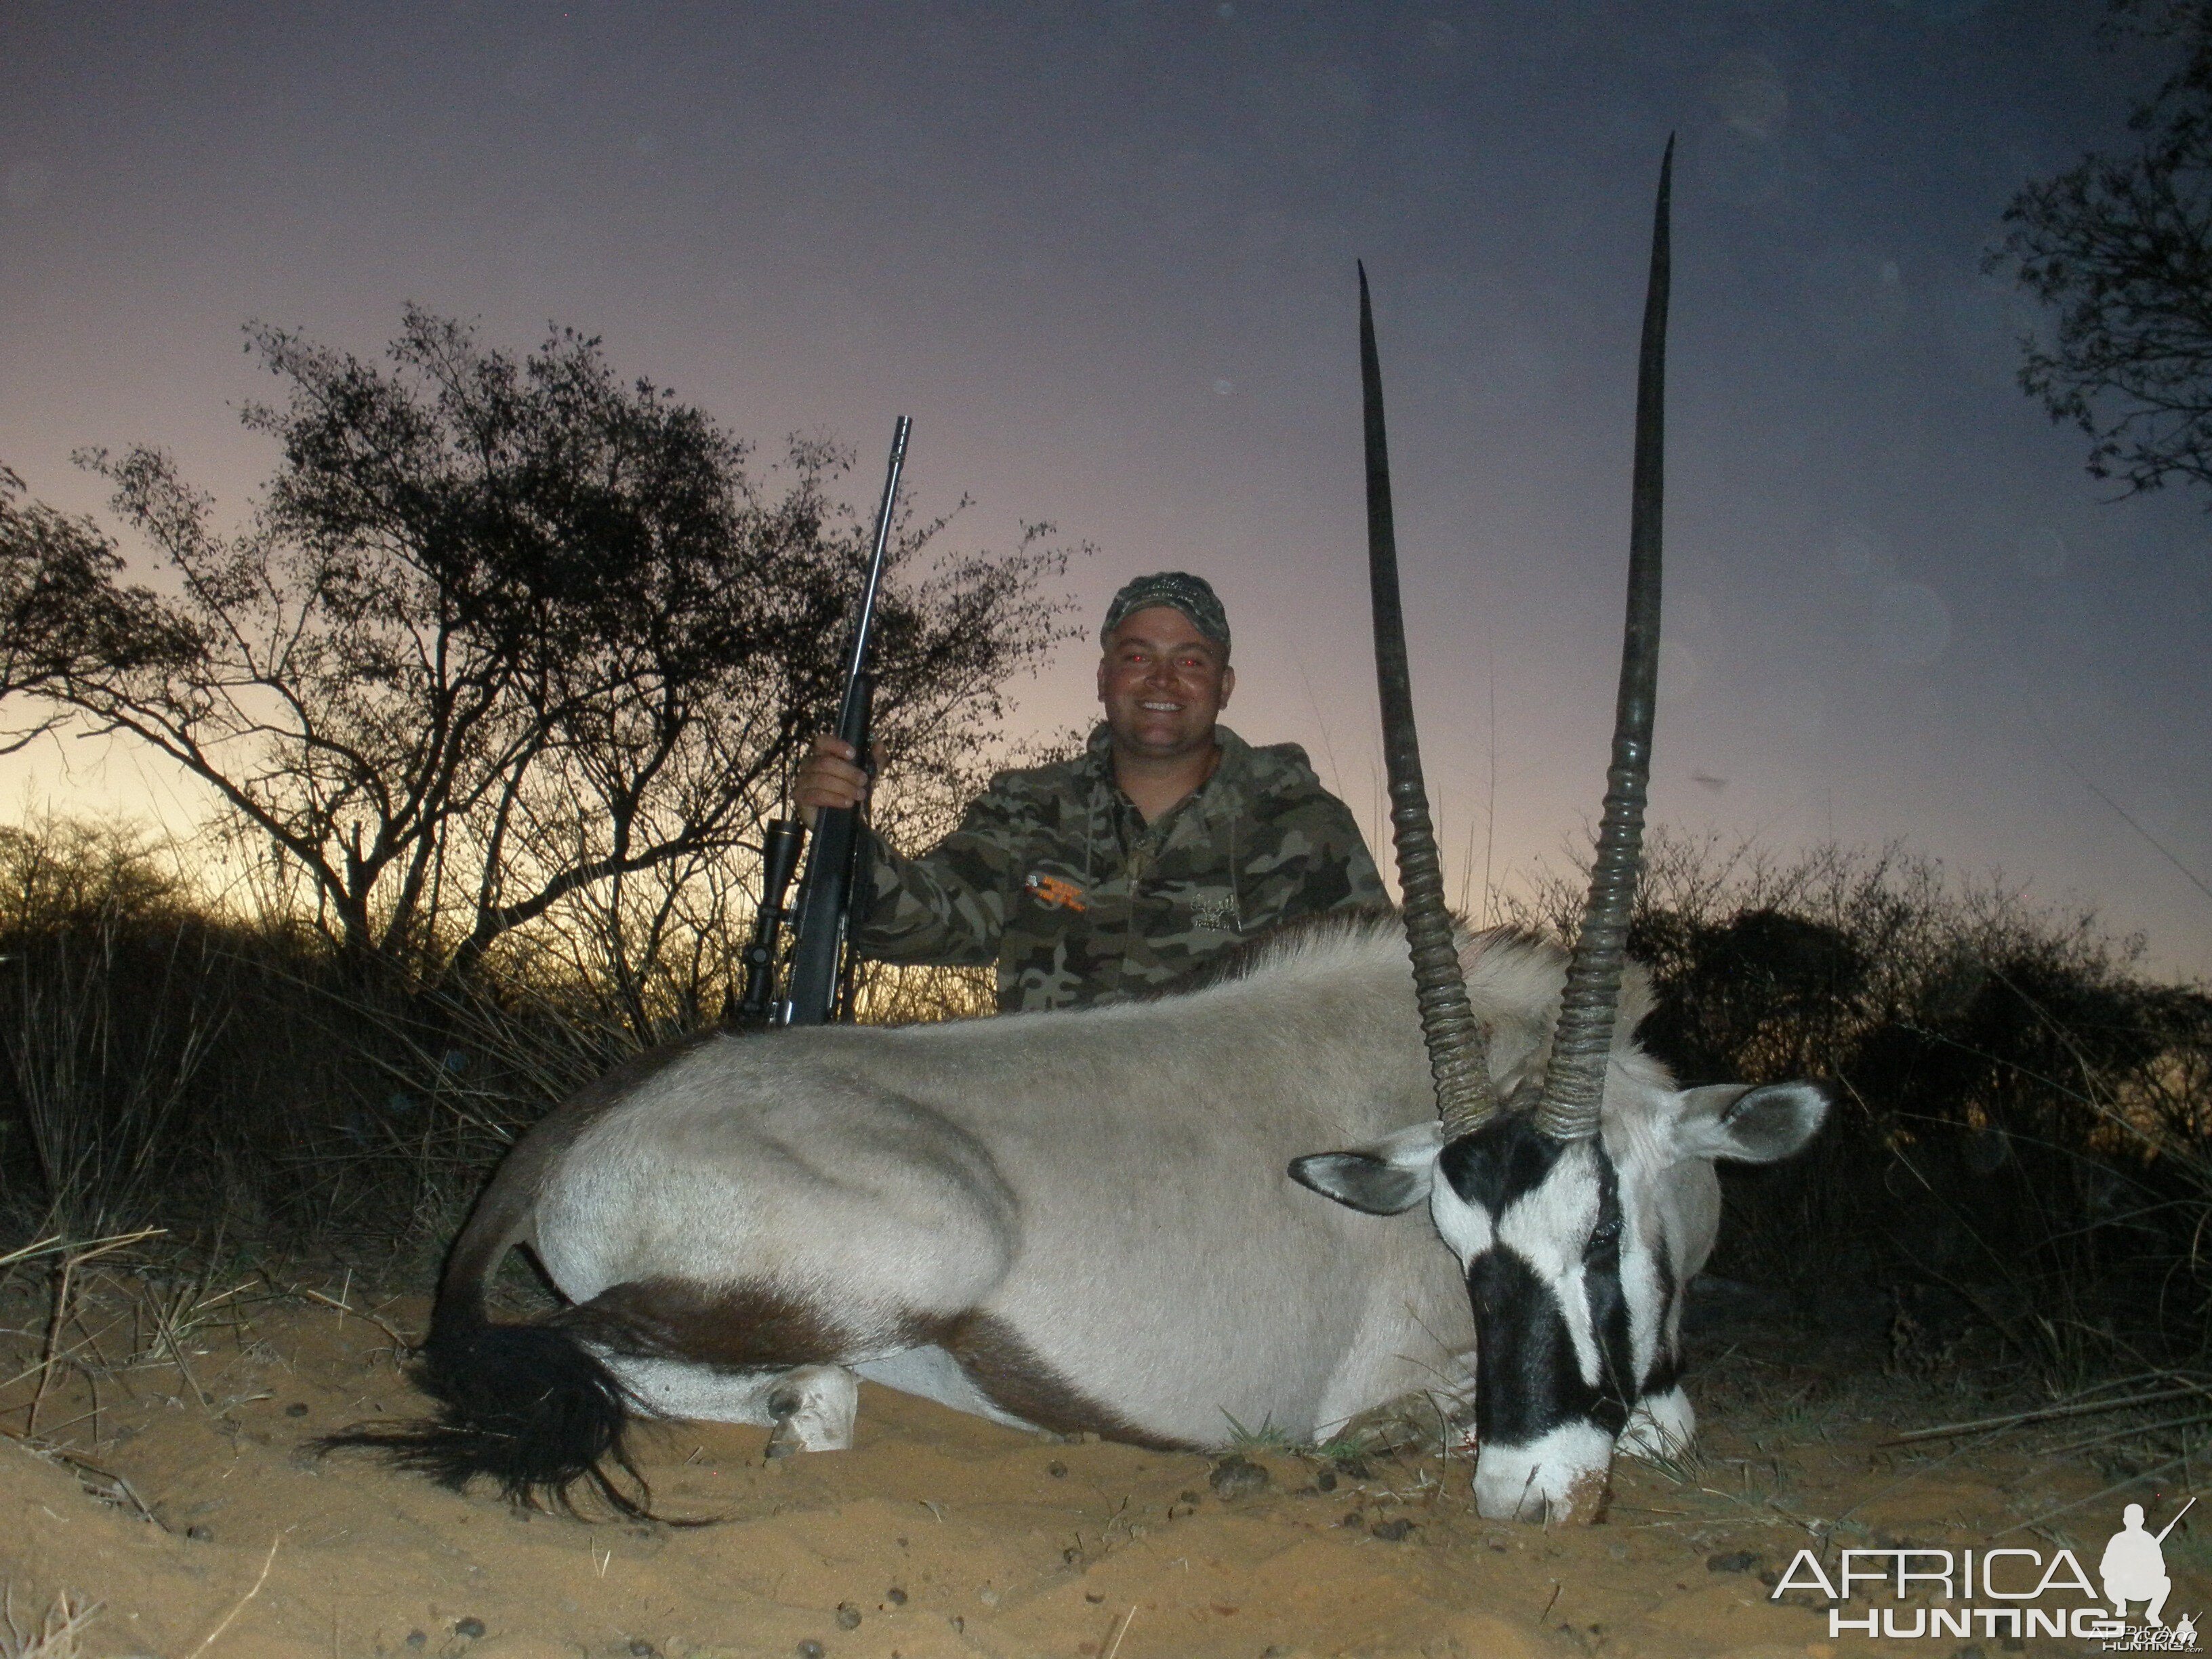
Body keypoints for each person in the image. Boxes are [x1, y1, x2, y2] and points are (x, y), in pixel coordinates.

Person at [793, 571, 1388, 1012]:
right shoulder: (1027, 809)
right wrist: (841, 831)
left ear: (1224, 686)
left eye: (1191, 660)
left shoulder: (1305, 827)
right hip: (1042, 1140)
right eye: (1136, 656)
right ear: (1104, 679)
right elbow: (920, 922)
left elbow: (1375, 994)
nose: (1162, 679)